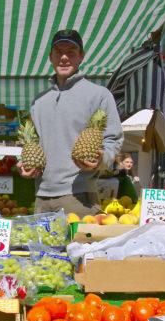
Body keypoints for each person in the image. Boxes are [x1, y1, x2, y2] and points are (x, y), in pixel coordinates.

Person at [19, 29, 123, 216]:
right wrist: (26, 164)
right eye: (58, 52)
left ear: (81, 57)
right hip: (41, 198)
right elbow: (33, 144)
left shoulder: (99, 95)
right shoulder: (39, 101)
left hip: (79, 197)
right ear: (50, 57)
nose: (64, 57)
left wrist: (100, 159)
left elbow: (113, 141)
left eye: (71, 52)